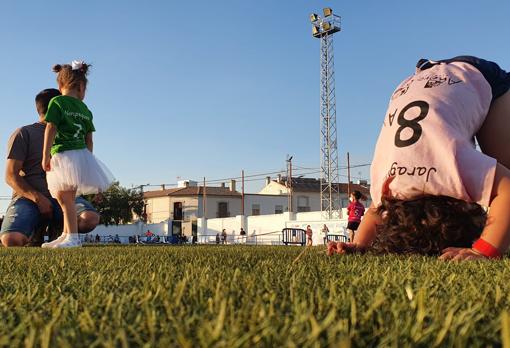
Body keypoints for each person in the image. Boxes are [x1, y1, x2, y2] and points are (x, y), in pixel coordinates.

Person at [328, 56, 510, 260]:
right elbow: (374, 211)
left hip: (477, 74)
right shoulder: (387, 186)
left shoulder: (453, 165)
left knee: (506, 169)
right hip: (419, 81)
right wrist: (358, 244)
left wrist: (483, 251)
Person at [0, 88, 100, 247]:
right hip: (28, 199)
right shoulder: (24, 133)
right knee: (12, 240)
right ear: (58, 105)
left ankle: (61, 230)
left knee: (89, 219)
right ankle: (36, 229)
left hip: (65, 194)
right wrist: (38, 199)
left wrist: (94, 186)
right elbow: (11, 176)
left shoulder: (70, 134)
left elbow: (83, 161)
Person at [41, 61, 114, 248]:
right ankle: (66, 234)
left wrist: (45, 155)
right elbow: (89, 139)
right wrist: (87, 162)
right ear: (81, 87)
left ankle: (73, 238)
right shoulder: (85, 110)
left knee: (65, 198)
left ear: (60, 85)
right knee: (64, 197)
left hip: (63, 154)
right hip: (80, 155)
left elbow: (50, 128)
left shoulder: (57, 102)